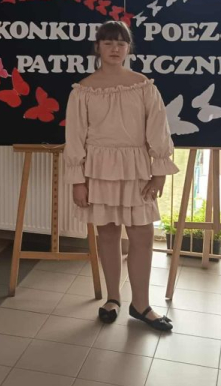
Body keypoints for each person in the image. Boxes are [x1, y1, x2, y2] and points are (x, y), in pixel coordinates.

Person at [64, 21, 178, 331]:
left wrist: (159, 173)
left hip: (136, 169)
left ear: (128, 48)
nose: (115, 48)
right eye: (108, 42)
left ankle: (141, 304)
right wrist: (78, 180)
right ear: (97, 47)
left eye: (121, 43)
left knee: (142, 235)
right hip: (98, 171)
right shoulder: (83, 90)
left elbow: (158, 129)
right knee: (108, 234)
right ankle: (112, 298)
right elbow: (75, 137)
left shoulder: (143, 86)